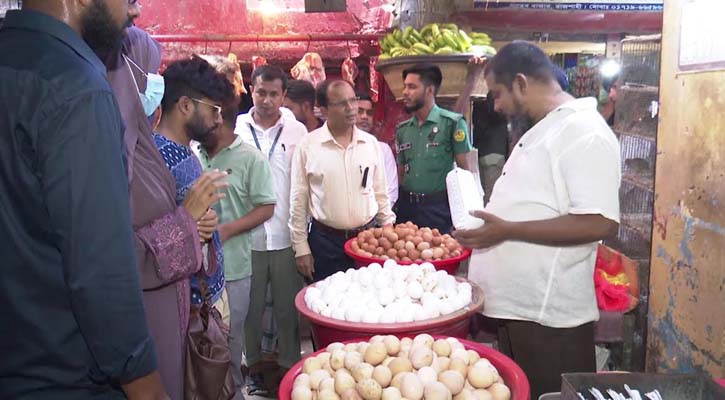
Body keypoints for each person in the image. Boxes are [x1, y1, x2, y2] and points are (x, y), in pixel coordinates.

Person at [0, 1, 169, 399]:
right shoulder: (76, 86)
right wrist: (149, 390)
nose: (136, 12)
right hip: (64, 378)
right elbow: (100, 274)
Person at [453, 41, 621, 399]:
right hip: (524, 315)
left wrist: (507, 230)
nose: (495, 106)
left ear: (521, 83)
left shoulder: (584, 131)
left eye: (497, 94)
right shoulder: (547, 129)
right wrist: (488, 232)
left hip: (551, 322)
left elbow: (599, 222)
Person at [197, 85, 278, 400]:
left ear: (218, 118)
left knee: (230, 341)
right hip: (195, 270)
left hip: (233, 267)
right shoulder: (194, 153)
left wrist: (228, 230)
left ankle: (235, 393)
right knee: (201, 340)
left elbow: (267, 207)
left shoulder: (250, 159)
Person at [233, 64, 308, 396]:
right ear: (251, 89)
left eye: (274, 94)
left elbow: (302, 185)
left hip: (284, 234)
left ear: (283, 95)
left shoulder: (297, 133)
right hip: (245, 236)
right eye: (261, 92)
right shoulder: (234, 128)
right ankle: (254, 369)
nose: (266, 100)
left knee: (286, 308)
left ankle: (288, 367)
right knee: (249, 309)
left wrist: (301, 235)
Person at [290, 79, 396, 282]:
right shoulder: (308, 146)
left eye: (353, 100)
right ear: (323, 109)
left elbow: (381, 193)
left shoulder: (370, 144)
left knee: (369, 301)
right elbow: (298, 200)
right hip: (325, 243)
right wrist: (301, 248)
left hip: (367, 241)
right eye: (341, 104)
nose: (351, 108)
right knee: (329, 305)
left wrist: (388, 230)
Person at [153, 57, 235, 315]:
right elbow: (152, 243)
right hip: (188, 306)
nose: (219, 120)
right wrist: (190, 223)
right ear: (186, 106)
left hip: (205, 296)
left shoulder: (185, 152)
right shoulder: (156, 159)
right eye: (214, 110)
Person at [395, 63, 473, 233]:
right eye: (405, 86)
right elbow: (400, 173)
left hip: (438, 208)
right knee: (405, 257)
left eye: (412, 87)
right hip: (407, 208)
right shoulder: (403, 130)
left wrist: (464, 216)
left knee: (440, 255)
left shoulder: (452, 123)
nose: (405, 92)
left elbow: (464, 172)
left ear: (429, 90)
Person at [356, 93, 399, 205]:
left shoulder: (383, 150)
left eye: (369, 113)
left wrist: (376, 216)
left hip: (377, 218)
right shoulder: (341, 148)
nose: (364, 116)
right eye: (359, 111)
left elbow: (391, 190)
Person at [472, 94, 508, 205]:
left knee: (484, 196)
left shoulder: (477, 105)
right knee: (492, 198)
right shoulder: (497, 105)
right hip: (495, 153)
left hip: (481, 153)